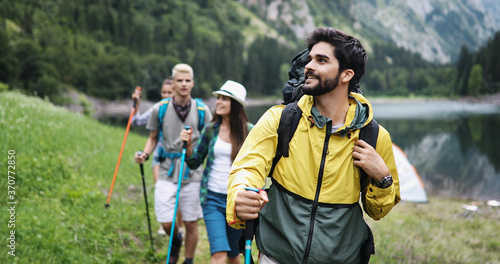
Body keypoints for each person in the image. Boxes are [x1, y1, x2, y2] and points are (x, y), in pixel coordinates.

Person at [226, 27, 401, 264]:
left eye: (321, 60)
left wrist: (383, 179)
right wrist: (241, 193)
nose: (309, 66)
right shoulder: (281, 119)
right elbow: (247, 168)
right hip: (277, 255)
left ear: (346, 75)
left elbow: (377, 211)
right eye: (310, 59)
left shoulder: (374, 136)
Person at [135, 63, 212, 264]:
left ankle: (188, 260)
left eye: (187, 80)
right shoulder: (160, 109)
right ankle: (175, 238)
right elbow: (153, 137)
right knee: (166, 220)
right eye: (179, 80)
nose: (184, 84)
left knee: (191, 222)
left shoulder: (202, 110)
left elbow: (209, 142)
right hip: (166, 169)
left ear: (193, 83)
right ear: (173, 82)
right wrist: (145, 154)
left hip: (192, 172)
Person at [180, 80, 253, 264]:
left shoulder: (250, 132)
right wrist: (188, 146)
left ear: (235, 104)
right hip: (211, 198)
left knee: (233, 254)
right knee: (219, 253)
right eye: (218, 98)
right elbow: (194, 162)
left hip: (237, 201)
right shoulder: (210, 130)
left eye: (224, 99)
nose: (218, 102)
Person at [131, 77, 184, 236]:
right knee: (162, 188)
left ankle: (179, 227)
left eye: (170, 92)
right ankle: (166, 222)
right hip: (158, 156)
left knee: (178, 193)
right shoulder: (158, 108)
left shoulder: (182, 109)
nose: (167, 95)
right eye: (164, 92)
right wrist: (136, 104)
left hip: (177, 157)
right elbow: (136, 122)